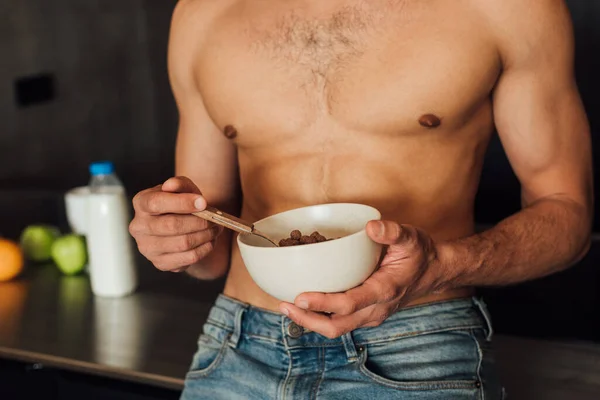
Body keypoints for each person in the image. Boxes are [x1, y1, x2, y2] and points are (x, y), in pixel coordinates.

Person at [129, 0, 593, 398]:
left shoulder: (505, 7)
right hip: (240, 345)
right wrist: (176, 238)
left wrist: (444, 264)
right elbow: (208, 252)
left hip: (417, 343)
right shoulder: (203, 14)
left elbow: (568, 213)